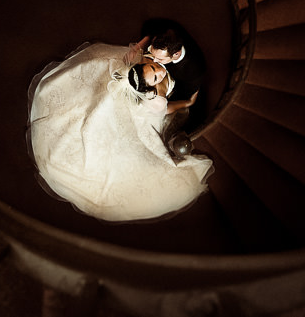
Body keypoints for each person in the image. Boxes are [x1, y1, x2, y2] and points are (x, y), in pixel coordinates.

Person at [27, 43, 212, 222]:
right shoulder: (156, 101)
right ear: (148, 90)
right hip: (147, 110)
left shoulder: (143, 62)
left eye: (154, 67)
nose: (160, 71)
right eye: (155, 77)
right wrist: (187, 103)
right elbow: (169, 108)